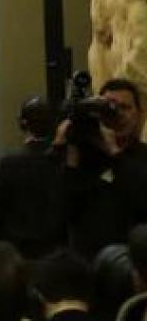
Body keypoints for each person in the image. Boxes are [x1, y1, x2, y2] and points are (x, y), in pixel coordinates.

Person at [56, 78, 147, 258]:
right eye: (111, 108)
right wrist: (69, 147)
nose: (118, 114)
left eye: (125, 107)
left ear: (139, 114)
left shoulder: (143, 157)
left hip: (132, 264)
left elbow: (142, 198)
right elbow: (62, 210)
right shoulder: (85, 157)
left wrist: (113, 151)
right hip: (87, 263)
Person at [0, 95, 68, 259]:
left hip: (17, 253)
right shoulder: (66, 161)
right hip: (57, 252)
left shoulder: (9, 164)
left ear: (22, 123)